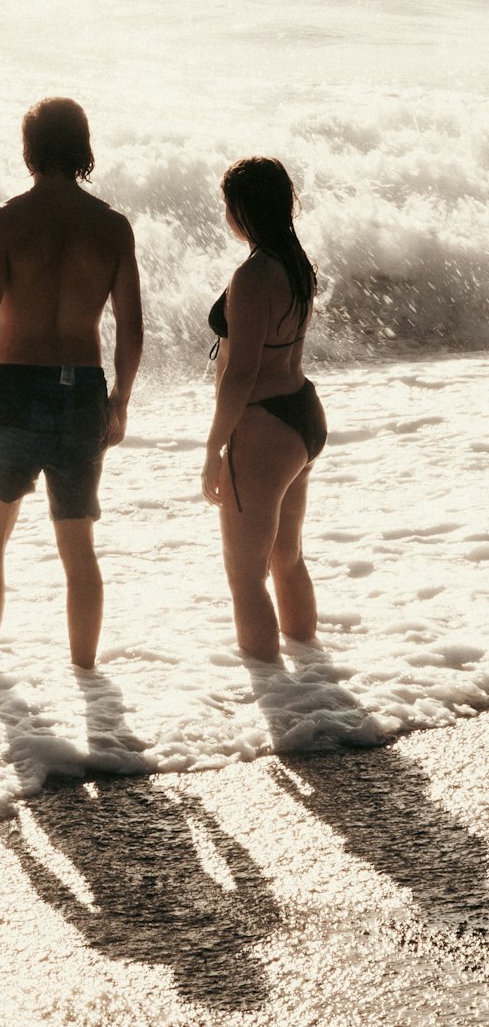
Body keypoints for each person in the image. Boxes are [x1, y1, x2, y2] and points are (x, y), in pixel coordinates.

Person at [0, 98, 143, 673]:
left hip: (18, 392)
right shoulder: (111, 226)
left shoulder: (6, 221)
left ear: (29, 148)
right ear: (83, 149)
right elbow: (131, 327)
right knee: (78, 547)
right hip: (83, 391)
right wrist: (120, 401)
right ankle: (87, 679)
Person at [202, 156, 327, 662]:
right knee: (287, 557)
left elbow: (241, 372)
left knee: (245, 576)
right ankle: (314, 682)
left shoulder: (253, 274)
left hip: (265, 425)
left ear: (241, 210)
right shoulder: (296, 263)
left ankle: (275, 705)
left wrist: (213, 446)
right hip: (301, 414)